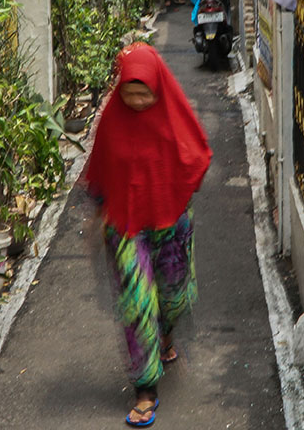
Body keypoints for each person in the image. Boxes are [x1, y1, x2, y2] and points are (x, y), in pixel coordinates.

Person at [83, 43, 212, 427]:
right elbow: (101, 167)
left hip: (170, 222)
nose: (137, 100)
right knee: (138, 304)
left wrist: (179, 192)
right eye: (129, 91)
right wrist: (101, 210)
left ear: (159, 88)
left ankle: (167, 336)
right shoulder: (112, 119)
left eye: (144, 92)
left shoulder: (174, 114)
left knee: (171, 298)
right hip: (125, 226)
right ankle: (145, 388)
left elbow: (198, 155)